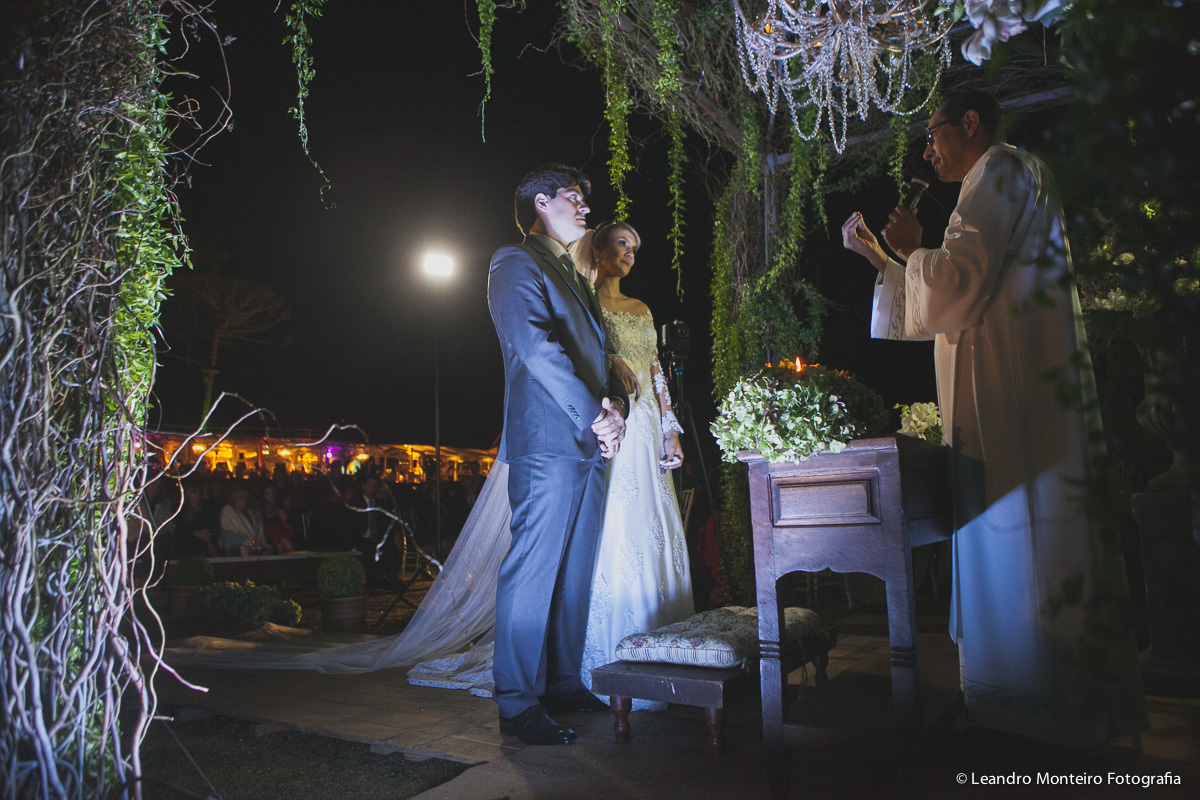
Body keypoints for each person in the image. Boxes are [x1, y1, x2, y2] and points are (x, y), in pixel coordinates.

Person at [841, 90, 1145, 745]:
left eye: (933, 133)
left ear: (969, 122)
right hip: (1007, 387)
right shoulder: (1008, 176)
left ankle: (1032, 705)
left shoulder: (1001, 172)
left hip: (1010, 398)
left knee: (1019, 529)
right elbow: (953, 295)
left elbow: (956, 285)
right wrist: (886, 259)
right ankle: (1031, 699)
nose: (928, 150)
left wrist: (911, 249)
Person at [487, 163, 628, 745]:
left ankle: (564, 681)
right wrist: (596, 414)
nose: (586, 209)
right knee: (534, 567)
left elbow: (601, 358)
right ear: (542, 203)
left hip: (590, 444)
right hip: (547, 442)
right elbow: (538, 350)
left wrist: (615, 406)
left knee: (574, 570)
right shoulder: (514, 262)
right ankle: (518, 704)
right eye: (575, 198)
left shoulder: (576, 275)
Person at [568, 222, 695, 706]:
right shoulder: (584, 301)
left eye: (636, 248)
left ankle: (667, 646)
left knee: (654, 523)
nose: (630, 253)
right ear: (599, 247)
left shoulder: (641, 308)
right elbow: (578, 358)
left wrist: (670, 430)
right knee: (618, 526)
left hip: (646, 429)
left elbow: (656, 371)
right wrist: (608, 357)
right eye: (622, 243)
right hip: (611, 424)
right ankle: (608, 649)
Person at [218, 487, 267, 556]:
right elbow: (236, 534)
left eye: (247, 497)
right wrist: (251, 544)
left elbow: (260, 533)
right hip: (235, 550)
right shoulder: (228, 511)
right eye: (241, 497)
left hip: (256, 549)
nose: (245, 500)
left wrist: (258, 543)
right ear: (233, 498)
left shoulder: (254, 513)